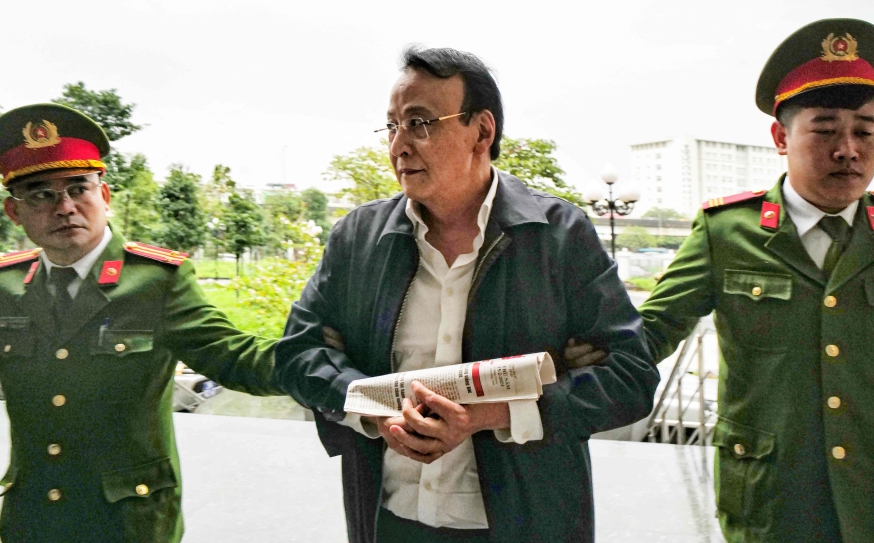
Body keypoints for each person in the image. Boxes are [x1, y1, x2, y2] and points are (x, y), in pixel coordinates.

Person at [275, 47, 659, 543]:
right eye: (391, 126)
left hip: (526, 525)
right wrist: (373, 406)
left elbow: (631, 376)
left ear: (482, 131)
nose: (399, 146)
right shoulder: (358, 238)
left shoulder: (558, 235)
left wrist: (492, 414)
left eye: (420, 123)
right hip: (388, 521)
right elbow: (296, 354)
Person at [639, 18, 874, 542]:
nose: (848, 149)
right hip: (771, 505)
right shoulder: (726, 231)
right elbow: (646, 336)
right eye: (825, 130)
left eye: (864, 130)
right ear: (781, 137)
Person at [0, 103, 289, 542]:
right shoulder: (3, 287)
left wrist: (344, 371)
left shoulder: (154, 282)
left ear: (104, 197)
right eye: (40, 195)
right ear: (14, 212)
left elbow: (238, 358)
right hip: (32, 519)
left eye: (79, 189)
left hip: (128, 522)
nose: (65, 207)